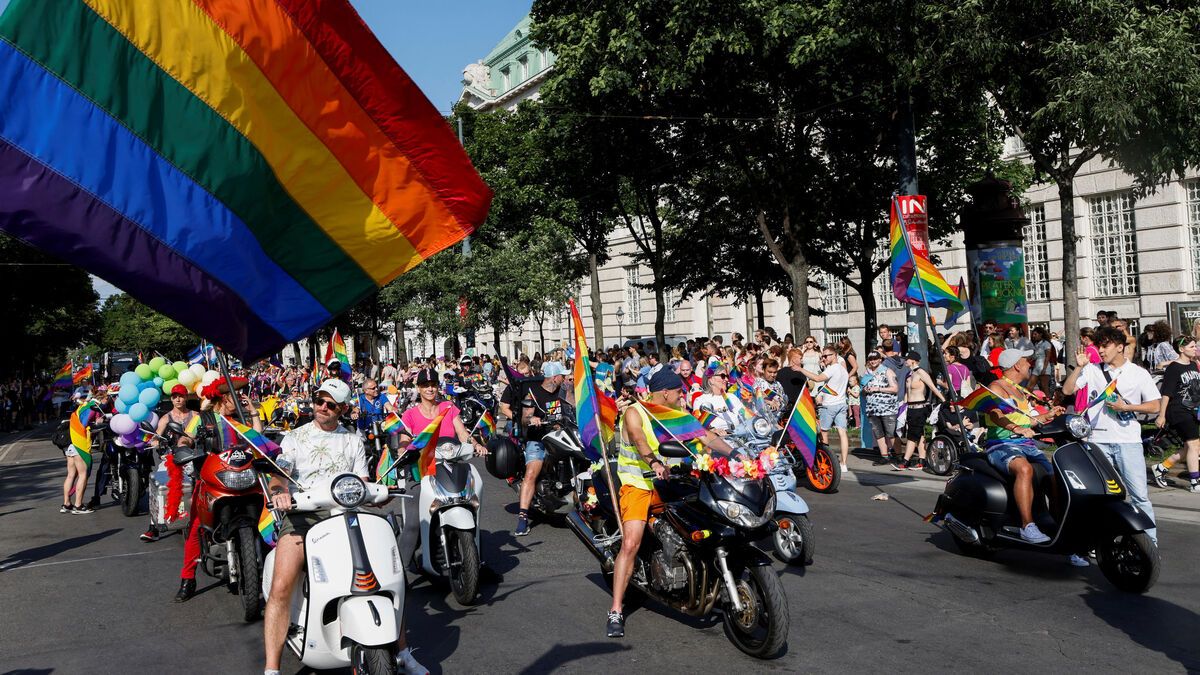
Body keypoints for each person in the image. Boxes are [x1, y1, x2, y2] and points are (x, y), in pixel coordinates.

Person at [262, 379, 427, 675]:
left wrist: (378, 493)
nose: (323, 407)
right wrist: (279, 493)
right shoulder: (295, 437)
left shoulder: (352, 439)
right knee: (282, 584)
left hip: (348, 513)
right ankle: (272, 668)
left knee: (392, 577)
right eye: (319, 401)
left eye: (331, 404)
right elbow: (279, 475)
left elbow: (362, 481)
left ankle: (403, 652)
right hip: (303, 515)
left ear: (343, 409)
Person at [607, 368, 735, 638]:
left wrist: (737, 454)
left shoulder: (678, 416)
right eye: (679, 391)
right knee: (631, 543)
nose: (682, 396)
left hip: (672, 484)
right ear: (665, 392)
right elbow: (640, 440)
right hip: (638, 484)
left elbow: (706, 436)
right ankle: (616, 608)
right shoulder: (635, 411)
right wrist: (653, 461)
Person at [1062, 326, 1161, 545]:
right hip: (1097, 441)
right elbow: (1067, 391)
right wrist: (1079, 368)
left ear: (1119, 347)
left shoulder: (1138, 373)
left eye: (1105, 345)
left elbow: (1154, 406)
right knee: (1100, 496)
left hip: (1128, 441)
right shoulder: (1092, 369)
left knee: (1139, 496)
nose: (1101, 350)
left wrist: (1126, 408)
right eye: (1099, 345)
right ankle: (1101, 542)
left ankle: (1150, 543)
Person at [981, 349, 1066, 545]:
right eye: (1027, 361)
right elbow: (995, 415)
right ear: (1016, 365)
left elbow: (1028, 421)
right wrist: (1016, 428)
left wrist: (1048, 415)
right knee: (1024, 469)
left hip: (1025, 444)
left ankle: (1058, 528)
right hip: (1001, 444)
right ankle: (1027, 526)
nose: (1030, 364)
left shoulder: (1020, 389)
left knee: (1055, 477)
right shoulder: (996, 387)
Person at [516, 361, 569, 536]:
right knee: (531, 472)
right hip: (538, 439)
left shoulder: (564, 391)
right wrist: (532, 419)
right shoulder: (533, 394)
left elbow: (574, 406)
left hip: (561, 437)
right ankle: (523, 517)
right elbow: (525, 417)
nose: (565, 378)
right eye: (562, 376)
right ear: (554, 377)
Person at [141, 384, 198, 542]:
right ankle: (154, 527)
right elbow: (157, 436)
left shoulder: (195, 415)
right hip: (172, 457)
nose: (178, 399)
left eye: (181, 396)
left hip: (193, 456)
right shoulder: (166, 418)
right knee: (157, 482)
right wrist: (155, 442)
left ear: (186, 397)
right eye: (174, 396)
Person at [1152, 336, 1200, 493]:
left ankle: (1161, 467)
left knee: (1189, 448)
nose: (1195, 348)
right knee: (1194, 445)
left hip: (1191, 411)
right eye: (1192, 346)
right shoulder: (1173, 368)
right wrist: (1161, 415)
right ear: (1181, 349)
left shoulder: (1193, 365)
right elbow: (1166, 394)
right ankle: (1195, 482)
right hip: (1177, 411)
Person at [797, 346, 850, 472]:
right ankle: (843, 463)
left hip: (829, 406)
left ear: (834, 355)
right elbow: (832, 386)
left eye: (826, 356)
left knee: (823, 433)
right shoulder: (843, 370)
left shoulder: (833, 369)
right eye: (822, 356)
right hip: (841, 403)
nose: (824, 358)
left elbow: (817, 378)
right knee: (842, 433)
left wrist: (800, 369)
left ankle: (825, 459)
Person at [892, 352, 946, 471]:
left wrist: (944, 400)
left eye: (907, 359)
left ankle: (905, 461)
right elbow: (907, 393)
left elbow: (932, 386)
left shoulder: (921, 372)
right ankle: (922, 461)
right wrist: (903, 408)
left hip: (920, 408)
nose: (905, 361)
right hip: (910, 408)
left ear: (913, 360)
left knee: (912, 436)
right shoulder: (909, 374)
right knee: (919, 434)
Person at [862, 352, 899, 465]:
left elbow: (895, 388)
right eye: (871, 359)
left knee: (891, 433)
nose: (873, 361)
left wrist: (877, 389)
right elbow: (863, 390)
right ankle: (884, 456)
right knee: (878, 433)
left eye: (875, 359)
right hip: (872, 408)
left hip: (887, 408)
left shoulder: (887, 371)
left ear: (880, 360)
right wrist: (865, 390)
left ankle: (899, 456)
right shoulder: (866, 373)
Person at [693, 366, 747, 434]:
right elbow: (699, 426)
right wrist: (714, 431)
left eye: (727, 376)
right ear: (711, 379)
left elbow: (746, 415)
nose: (727, 379)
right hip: (717, 442)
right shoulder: (700, 400)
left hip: (738, 438)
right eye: (723, 376)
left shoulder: (731, 397)